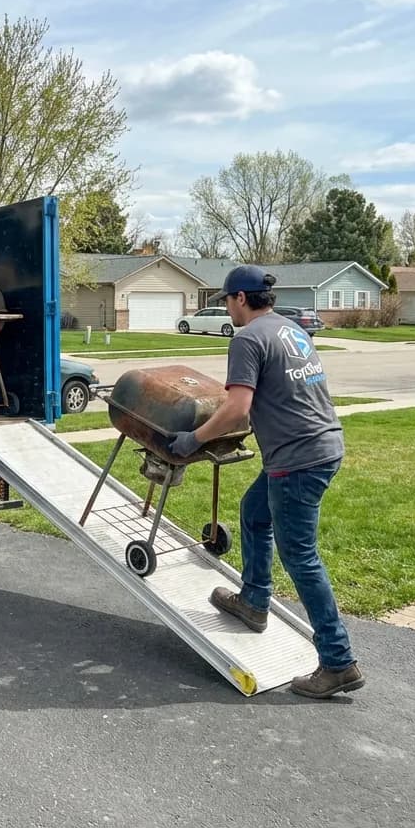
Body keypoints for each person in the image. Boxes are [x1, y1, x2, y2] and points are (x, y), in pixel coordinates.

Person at [168, 265, 363, 699]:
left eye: (227, 301)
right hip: (323, 444)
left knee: (301, 557)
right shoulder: (291, 330)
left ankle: (338, 661)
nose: (228, 309)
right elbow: (286, 393)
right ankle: (254, 602)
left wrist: (193, 439)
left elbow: (238, 405)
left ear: (240, 299)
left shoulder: (248, 339)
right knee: (255, 514)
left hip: (297, 459)